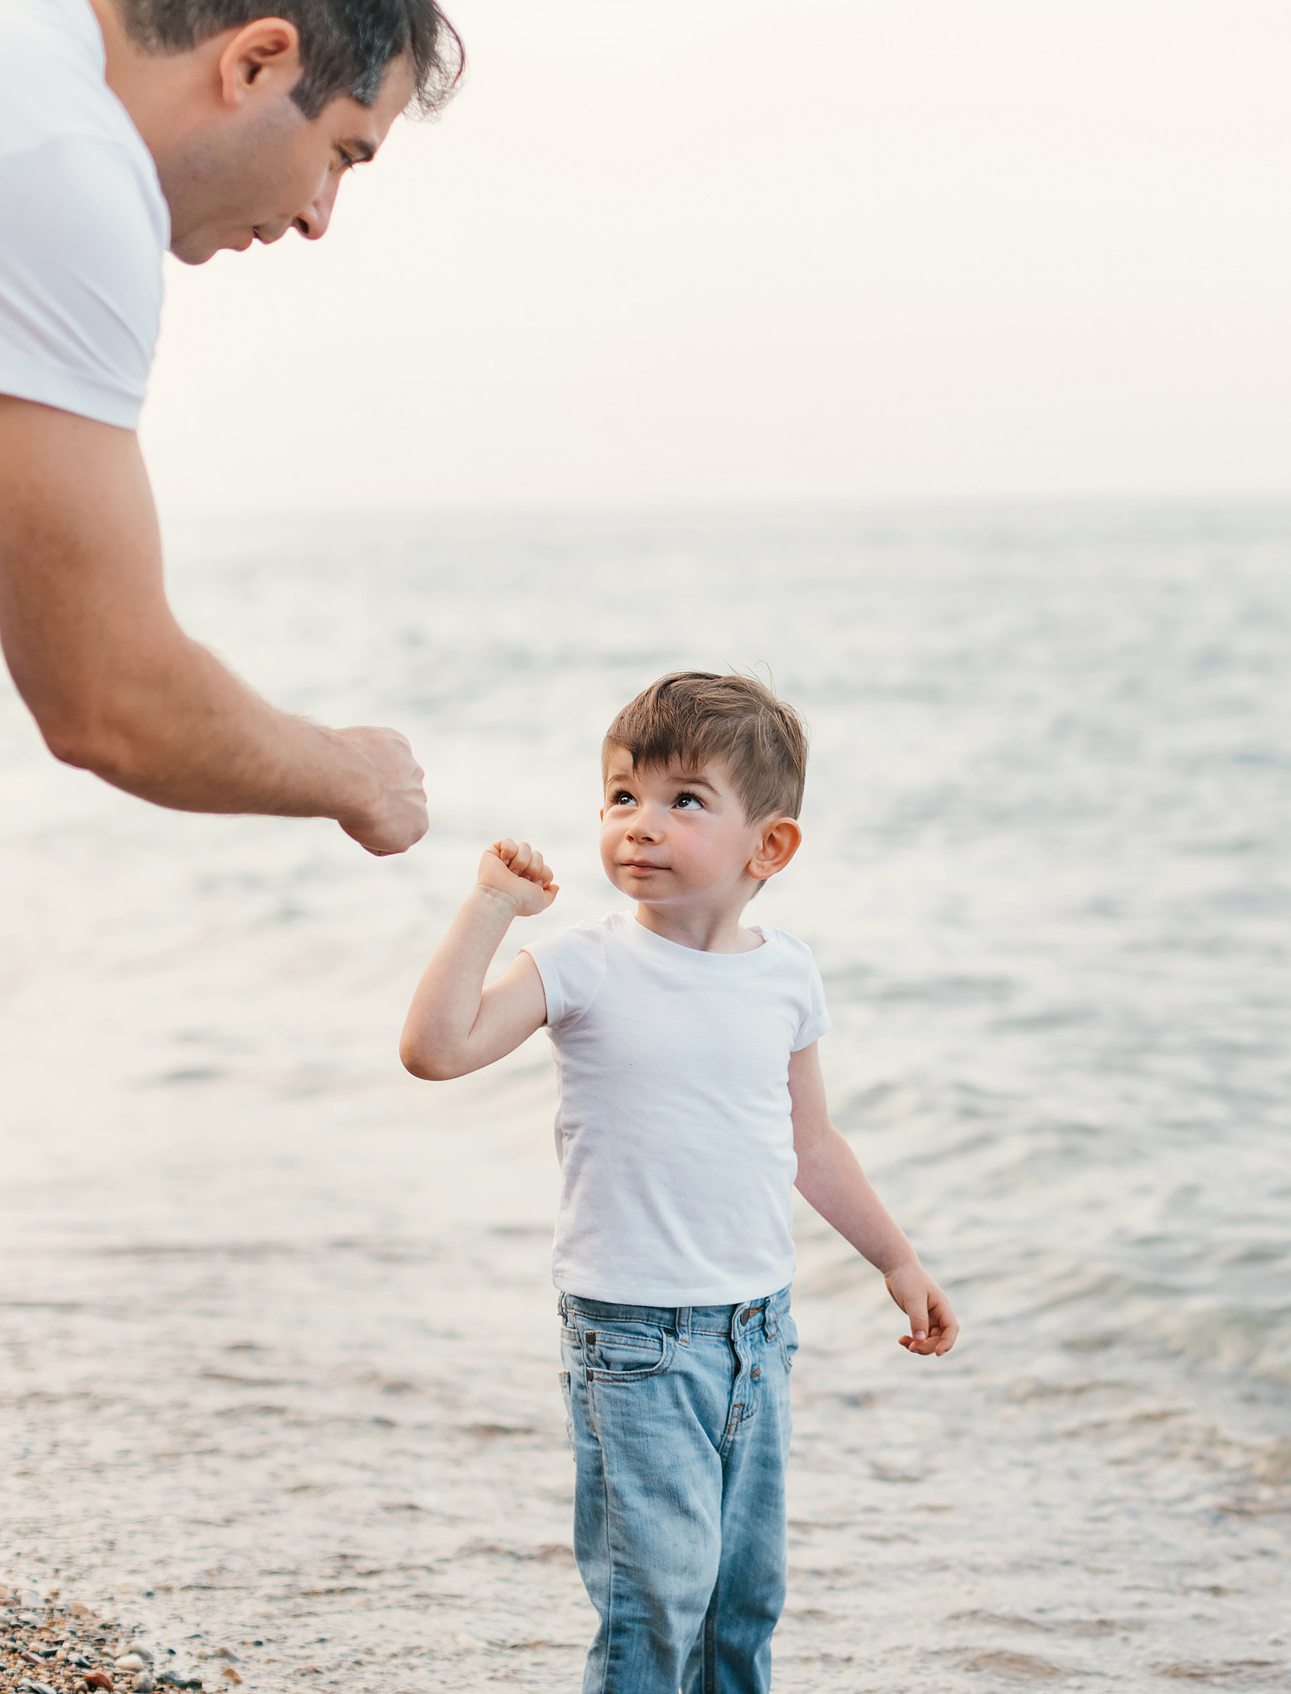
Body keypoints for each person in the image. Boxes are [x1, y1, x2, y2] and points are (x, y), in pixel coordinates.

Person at [0, 0, 459, 1687]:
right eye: (340, 157)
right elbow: (109, 696)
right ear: (260, 58)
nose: (318, 218)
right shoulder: (61, 166)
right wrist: (352, 773)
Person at [400, 671, 960, 1694]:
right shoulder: (583, 964)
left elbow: (812, 1143)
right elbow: (434, 1051)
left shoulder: (785, 974)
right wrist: (490, 908)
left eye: (681, 800)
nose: (638, 825)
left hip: (756, 1333)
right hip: (633, 1340)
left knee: (743, 1600)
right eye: (621, 796)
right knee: (652, 1600)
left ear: (769, 846)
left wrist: (898, 1260)